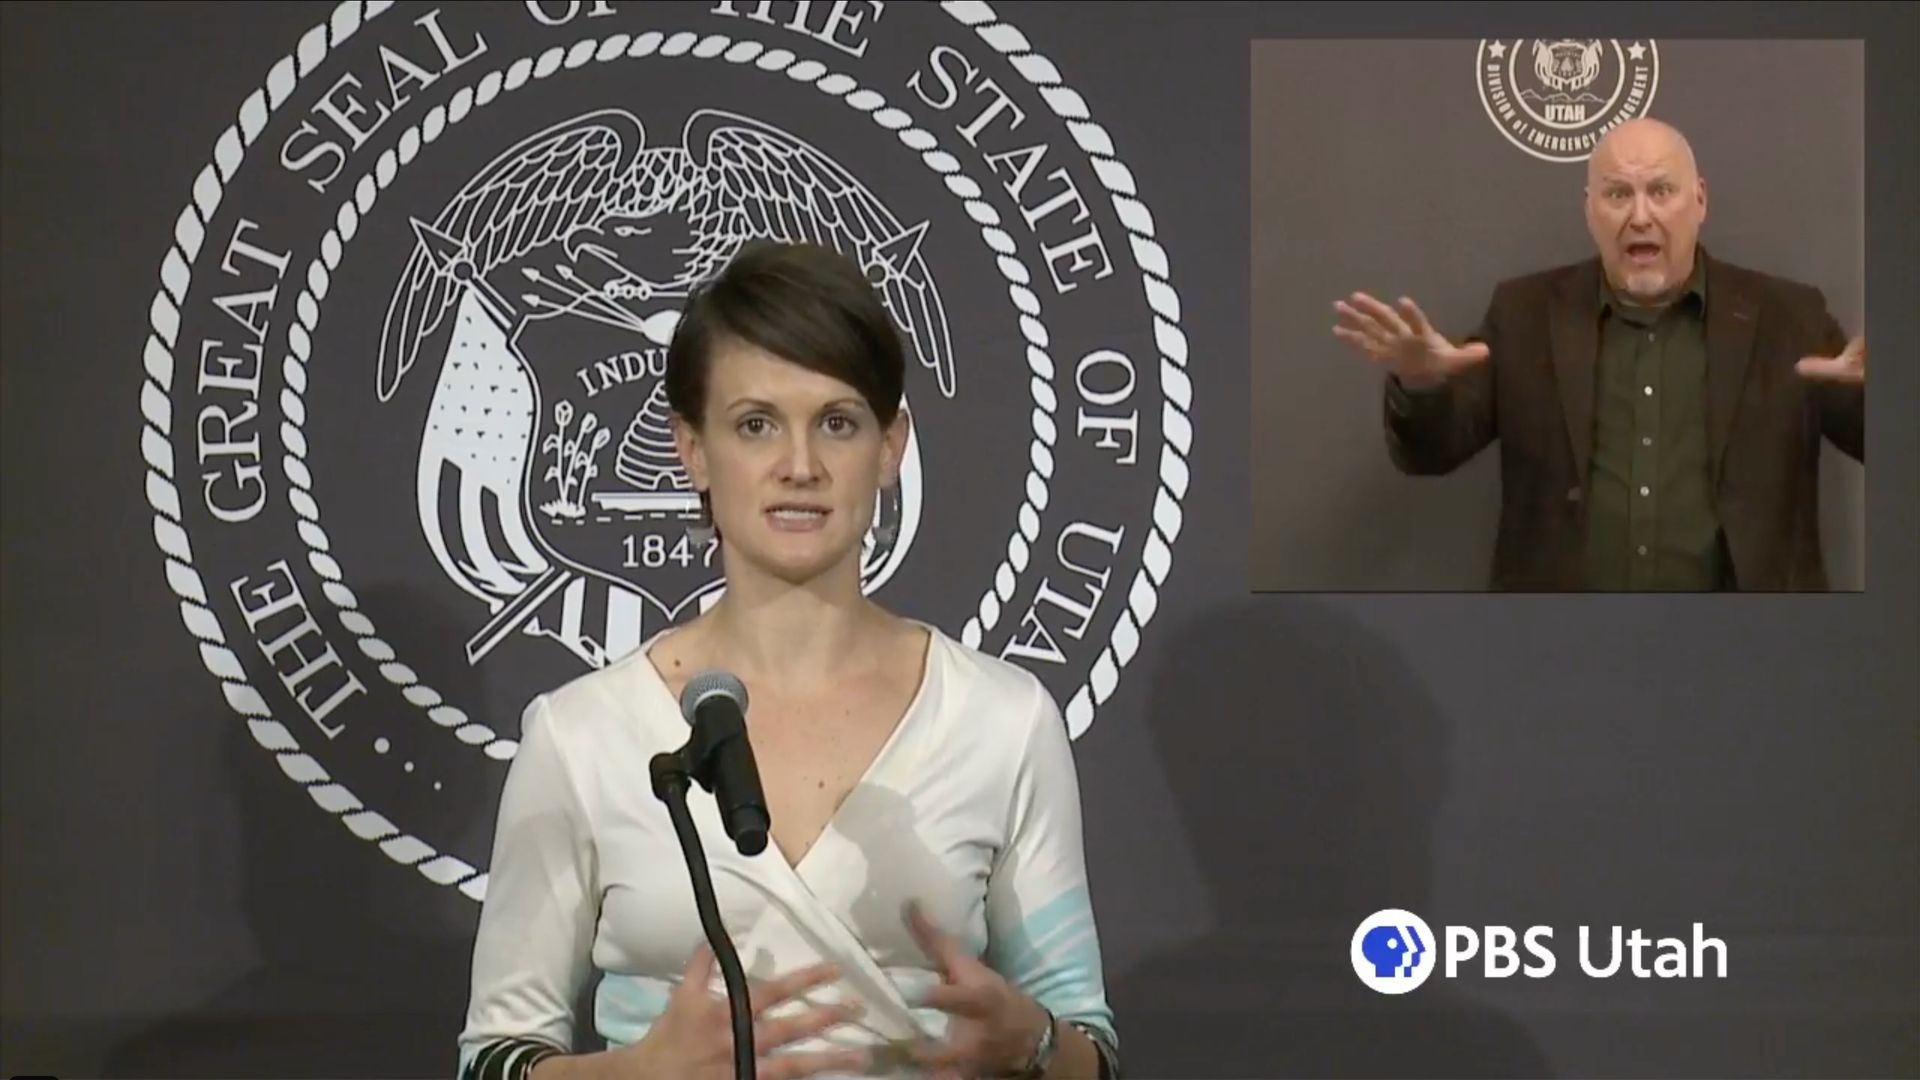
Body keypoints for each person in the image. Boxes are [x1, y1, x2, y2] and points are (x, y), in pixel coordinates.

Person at [456, 239, 1121, 1080]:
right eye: (756, 424)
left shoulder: (1002, 719)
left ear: (891, 447)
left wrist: (1029, 1043)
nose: (799, 467)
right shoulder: (582, 736)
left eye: (837, 424)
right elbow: (492, 1060)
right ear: (692, 449)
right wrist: (634, 1074)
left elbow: (1091, 1052)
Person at [1332, 117, 1867, 591]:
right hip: (1564, 650)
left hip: (1750, 649)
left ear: (1699, 200)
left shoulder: (1789, 317)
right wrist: (1422, 384)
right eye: (1617, 195)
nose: (1639, 216)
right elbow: (1431, 454)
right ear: (1589, 208)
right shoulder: (1523, 314)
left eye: (1661, 191)